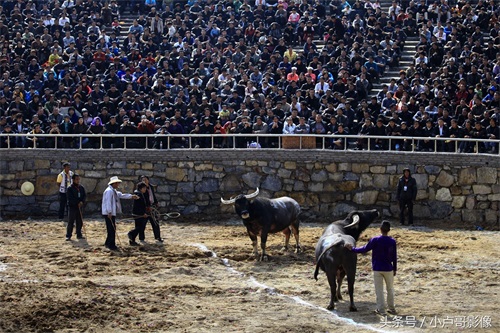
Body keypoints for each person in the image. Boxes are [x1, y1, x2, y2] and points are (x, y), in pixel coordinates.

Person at [345, 221, 397, 315]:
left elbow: (364, 249)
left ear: (380, 229)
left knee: (379, 290)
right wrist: (395, 268)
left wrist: (352, 249)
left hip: (377, 268)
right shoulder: (392, 241)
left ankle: (381, 309)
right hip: (388, 268)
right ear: (389, 230)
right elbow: (394, 256)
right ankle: (392, 308)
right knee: (390, 289)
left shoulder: (375, 240)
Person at [101, 176, 139, 250]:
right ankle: (111, 244)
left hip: (111, 212)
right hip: (109, 213)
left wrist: (131, 196)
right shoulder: (109, 191)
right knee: (111, 228)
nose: (118, 185)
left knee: (112, 228)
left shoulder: (113, 191)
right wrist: (109, 212)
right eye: (117, 183)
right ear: (114, 183)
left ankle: (108, 242)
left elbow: (121, 195)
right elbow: (108, 202)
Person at [138, 175, 163, 243]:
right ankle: (141, 238)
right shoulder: (141, 189)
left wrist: (156, 202)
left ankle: (158, 237)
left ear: (148, 180)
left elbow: (153, 196)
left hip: (152, 207)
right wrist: (146, 207)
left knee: (155, 222)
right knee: (143, 223)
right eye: (143, 180)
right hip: (146, 208)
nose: (144, 181)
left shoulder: (151, 187)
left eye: (145, 179)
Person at [66, 174, 86, 241]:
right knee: (71, 221)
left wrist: (82, 202)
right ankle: (68, 235)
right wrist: (77, 202)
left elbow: (84, 196)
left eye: (78, 179)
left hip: (79, 207)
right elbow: (70, 198)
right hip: (72, 207)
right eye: (76, 179)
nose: (78, 181)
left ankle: (79, 234)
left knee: (79, 221)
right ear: (73, 180)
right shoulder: (70, 188)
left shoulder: (81, 188)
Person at [128, 182, 149, 246]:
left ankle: (132, 240)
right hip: (138, 214)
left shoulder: (140, 194)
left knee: (138, 227)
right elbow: (139, 206)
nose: (145, 189)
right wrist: (143, 214)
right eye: (144, 188)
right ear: (141, 188)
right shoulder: (139, 195)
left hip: (138, 213)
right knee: (140, 227)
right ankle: (131, 234)